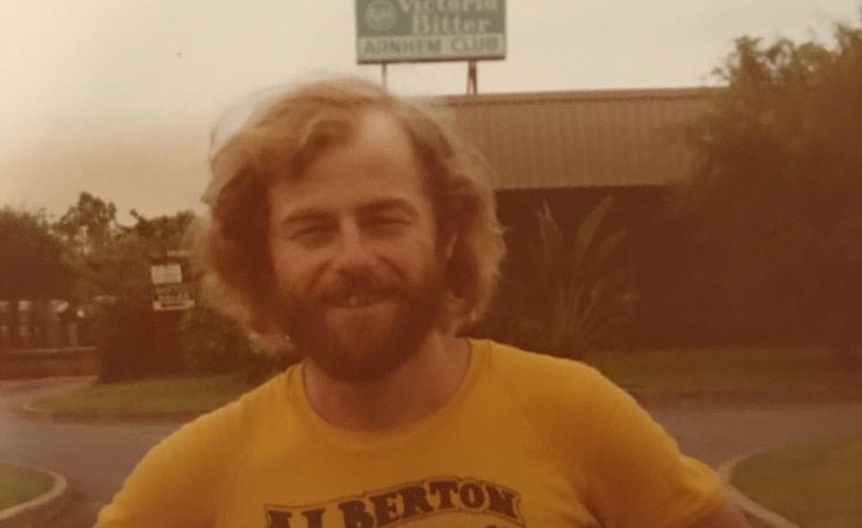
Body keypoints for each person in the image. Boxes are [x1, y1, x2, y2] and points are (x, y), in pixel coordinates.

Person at [96, 77, 751, 528]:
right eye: (313, 229)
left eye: (384, 219)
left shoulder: (575, 413)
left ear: (445, 236)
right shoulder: (195, 473)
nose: (352, 256)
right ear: (263, 262)